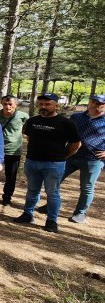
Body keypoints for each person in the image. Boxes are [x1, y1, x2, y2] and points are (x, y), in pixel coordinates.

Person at [13, 93, 81, 232]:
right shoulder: (32, 121)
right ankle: (28, 214)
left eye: (48, 104)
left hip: (54, 164)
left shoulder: (66, 123)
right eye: (41, 104)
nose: (43, 107)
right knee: (32, 190)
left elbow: (76, 144)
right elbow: (28, 136)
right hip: (32, 162)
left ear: (56, 105)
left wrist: (64, 156)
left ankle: (51, 221)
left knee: (52, 193)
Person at [60, 94, 105, 224]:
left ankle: (80, 213)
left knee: (86, 187)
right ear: (89, 102)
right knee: (56, 179)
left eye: (99, 103)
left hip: (93, 159)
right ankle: (52, 205)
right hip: (71, 155)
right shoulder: (76, 116)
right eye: (94, 101)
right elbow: (66, 133)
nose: (95, 105)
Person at [0, 95, 29, 206]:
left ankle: (7, 197)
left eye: (10, 104)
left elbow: (26, 131)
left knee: (10, 176)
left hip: (13, 151)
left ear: (16, 105)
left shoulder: (23, 116)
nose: (7, 106)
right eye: (5, 104)